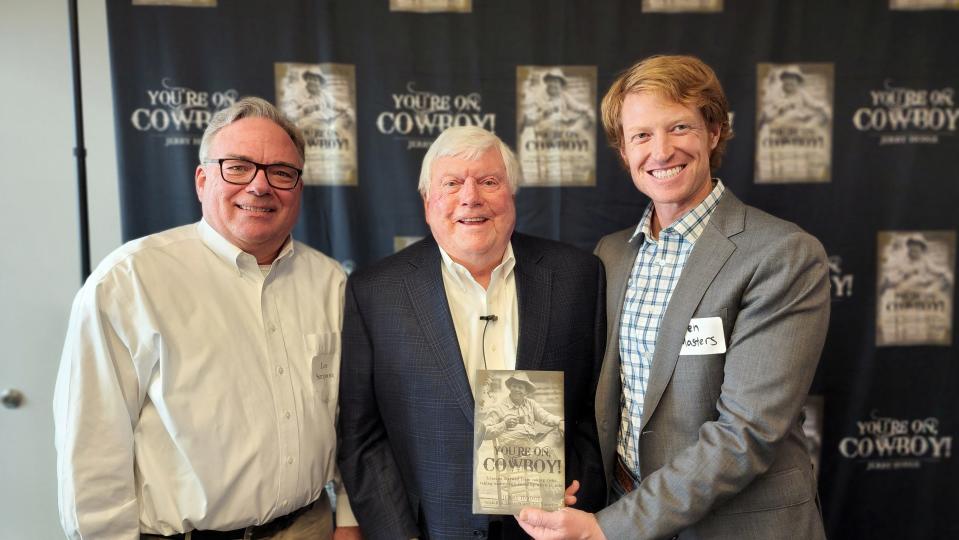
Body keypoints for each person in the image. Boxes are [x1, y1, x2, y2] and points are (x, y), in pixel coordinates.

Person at [518, 55, 830, 539]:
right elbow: (599, 402)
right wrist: (550, 477)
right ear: (623, 151)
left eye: (679, 127)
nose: (660, 151)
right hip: (621, 507)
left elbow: (746, 434)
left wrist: (607, 529)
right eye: (641, 135)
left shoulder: (782, 255)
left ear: (714, 131)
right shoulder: (612, 254)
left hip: (735, 525)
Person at [53, 97, 360, 540]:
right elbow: (91, 451)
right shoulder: (129, 282)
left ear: (298, 188)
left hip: (309, 526)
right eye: (237, 167)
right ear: (202, 180)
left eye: (280, 172)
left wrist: (348, 519)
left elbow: (352, 420)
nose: (259, 186)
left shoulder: (330, 281)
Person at [337, 126, 606, 539]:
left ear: (511, 195)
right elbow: (362, 436)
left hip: (550, 528)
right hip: (432, 529)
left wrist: (581, 485)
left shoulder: (577, 276)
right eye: (451, 184)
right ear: (428, 203)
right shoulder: (375, 291)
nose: (471, 197)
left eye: (488, 182)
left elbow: (595, 408)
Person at [519, 68, 595, 132]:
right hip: (543, 127)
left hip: (562, 125)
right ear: (547, 82)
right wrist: (544, 113)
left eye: (556, 82)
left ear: (561, 85)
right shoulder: (539, 96)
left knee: (583, 117)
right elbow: (533, 113)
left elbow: (576, 105)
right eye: (551, 81)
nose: (553, 84)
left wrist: (587, 109)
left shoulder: (564, 95)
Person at [757, 65, 830, 129]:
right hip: (779, 120)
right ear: (783, 80)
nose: (790, 81)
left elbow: (813, 102)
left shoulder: (801, 92)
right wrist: (780, 109)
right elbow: (767, 110)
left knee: (818, 117)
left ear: (798, 82)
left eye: (793, 79)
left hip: (798, 120)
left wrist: (824, 106)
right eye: (787, 78)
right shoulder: (775, 92)